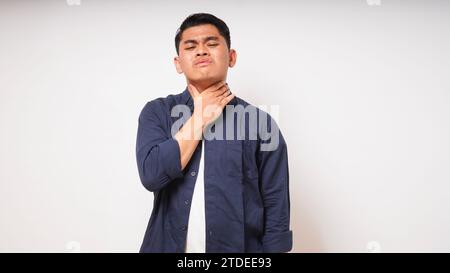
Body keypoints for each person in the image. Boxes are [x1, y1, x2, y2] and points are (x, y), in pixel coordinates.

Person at [136, 13, 292, 253]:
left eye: (211, 43)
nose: (201, 51)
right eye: (191, 46)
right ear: (178, 63)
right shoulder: (158, 112)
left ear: (231, 57)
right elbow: (152, 175)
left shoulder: (261, 123)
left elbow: (275, 202)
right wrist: (200, 117)